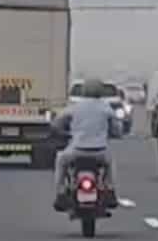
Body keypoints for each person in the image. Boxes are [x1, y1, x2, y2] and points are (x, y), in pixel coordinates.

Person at [51, 78, 121, 211]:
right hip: (100, 151)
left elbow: (57, 122)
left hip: (77, 150)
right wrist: (114, 133)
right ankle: (110, 190)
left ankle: (60, 193)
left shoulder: (75, 107)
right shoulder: (106, 107)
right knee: (110, 162)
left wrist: (61, 130)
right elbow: (117, 128)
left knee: (60, 160)